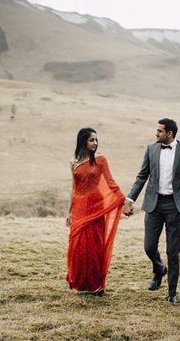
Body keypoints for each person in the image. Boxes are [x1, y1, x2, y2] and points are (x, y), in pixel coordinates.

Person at [123, 118, 180, 305]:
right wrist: (129, 199)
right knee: (149, 246)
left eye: (159, 131)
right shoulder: (151, 149)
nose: (156, 134)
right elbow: (142, 176)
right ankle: (159, 269)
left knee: (173, 252)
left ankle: (172, 293)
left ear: (170, 134)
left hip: (174, 206)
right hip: (153, 205)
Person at [66, 127, 126, 296]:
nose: (95, 143)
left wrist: (123, 200)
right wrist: (69, 212)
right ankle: (81, 282)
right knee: (77, 245)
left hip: (95, 206)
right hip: (79, 207)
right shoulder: (74, 161)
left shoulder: (101, 160)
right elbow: (73, 188)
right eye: (92, 140)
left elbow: (111, 182)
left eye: (96, 140)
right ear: (83, 141)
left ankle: (97, 285)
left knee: (93, 245)